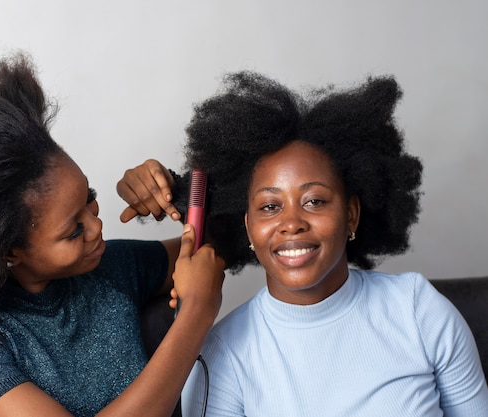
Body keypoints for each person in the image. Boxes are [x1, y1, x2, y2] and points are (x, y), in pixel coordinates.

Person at [0, 53, 225, 417]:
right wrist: (195, 316)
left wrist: (177, 194)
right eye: (73, 230)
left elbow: (214, 247)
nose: (96, 226)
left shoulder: (112, 268)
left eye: (90, 199)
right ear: (9, 252)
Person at [173, 72, 488, 415]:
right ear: (249, 229)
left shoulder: (418, 310)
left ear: (351, 214)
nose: (291, 223)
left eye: (314, 201)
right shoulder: (222, 354)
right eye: (269, 207)